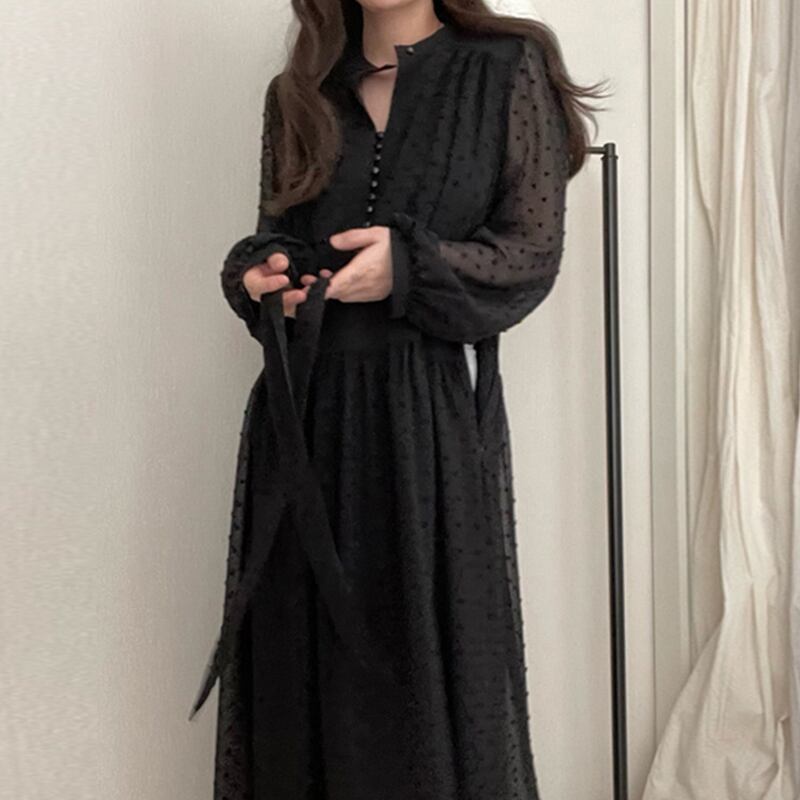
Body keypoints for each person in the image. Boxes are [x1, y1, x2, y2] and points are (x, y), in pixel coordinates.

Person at [190, 1, 606, 798]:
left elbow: (529, 252)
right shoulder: (299, 90)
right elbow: (279, 229)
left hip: (424, 422)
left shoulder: (505, 67)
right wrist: (261, 277)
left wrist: (406, 268)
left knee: (427, 670)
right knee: (300, 672)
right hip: (302, 420)